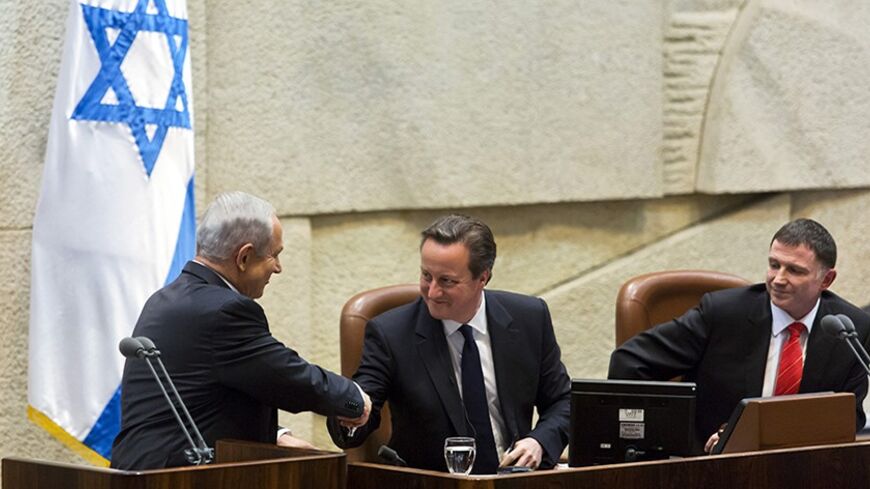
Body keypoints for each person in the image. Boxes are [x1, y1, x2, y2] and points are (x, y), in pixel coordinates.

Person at [111, 191, 370, 469]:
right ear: (244, 257)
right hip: (175, 477)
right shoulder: (223, 310)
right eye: (275, 255)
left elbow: (199, 400)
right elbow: (288, 377)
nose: (279, 268)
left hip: (143, 470)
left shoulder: (166, 298)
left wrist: (276, 435)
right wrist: (354, 400)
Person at [327, 214, 571, 473]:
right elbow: (362, 406)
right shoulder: (391, 334)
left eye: (447, 281)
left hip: (514, 479)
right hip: (433, 481)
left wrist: (539, 441)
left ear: (483, 278)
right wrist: (348, 410)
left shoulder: (529, 318)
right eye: (426, 276)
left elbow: (563, 401)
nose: (432, 292)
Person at [609, 218, 870, 453]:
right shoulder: (722, 314)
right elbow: (630, 363)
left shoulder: (848, 329)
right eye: (774, 265)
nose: (778, 279)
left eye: (794, 270)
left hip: (803, 466)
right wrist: (675, 440)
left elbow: (849, 417)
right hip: (710, 465)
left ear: (826, 280)